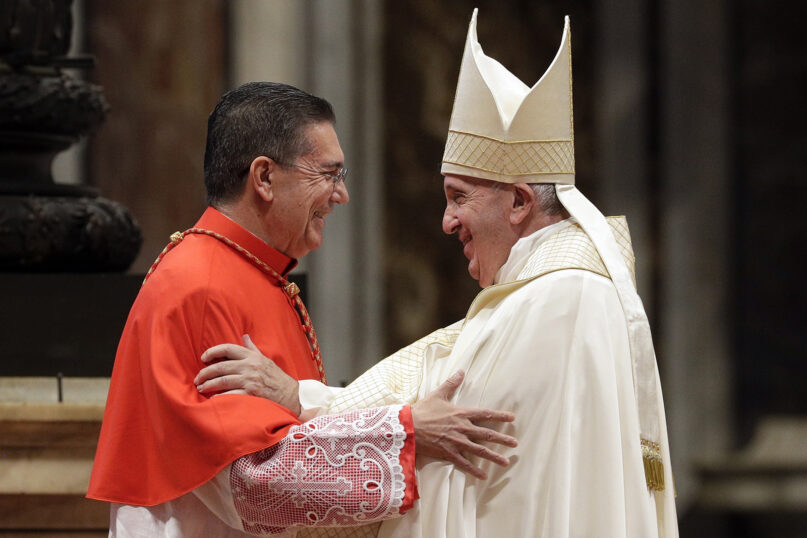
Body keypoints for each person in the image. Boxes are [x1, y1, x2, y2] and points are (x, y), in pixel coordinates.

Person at [200, 11, 679, 538]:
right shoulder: (546, 292)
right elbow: (432, 396)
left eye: (459, 198)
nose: (447, 222)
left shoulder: (559, 300)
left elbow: (447, 424)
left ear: (519, 201)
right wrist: (308, 399)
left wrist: (300, 400)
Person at [86, 82, 518, 537]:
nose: (341, 195)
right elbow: (254, 482)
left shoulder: (255, 273)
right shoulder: (202, 286)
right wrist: (406, 435)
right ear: (265, 178)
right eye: (329, 174)